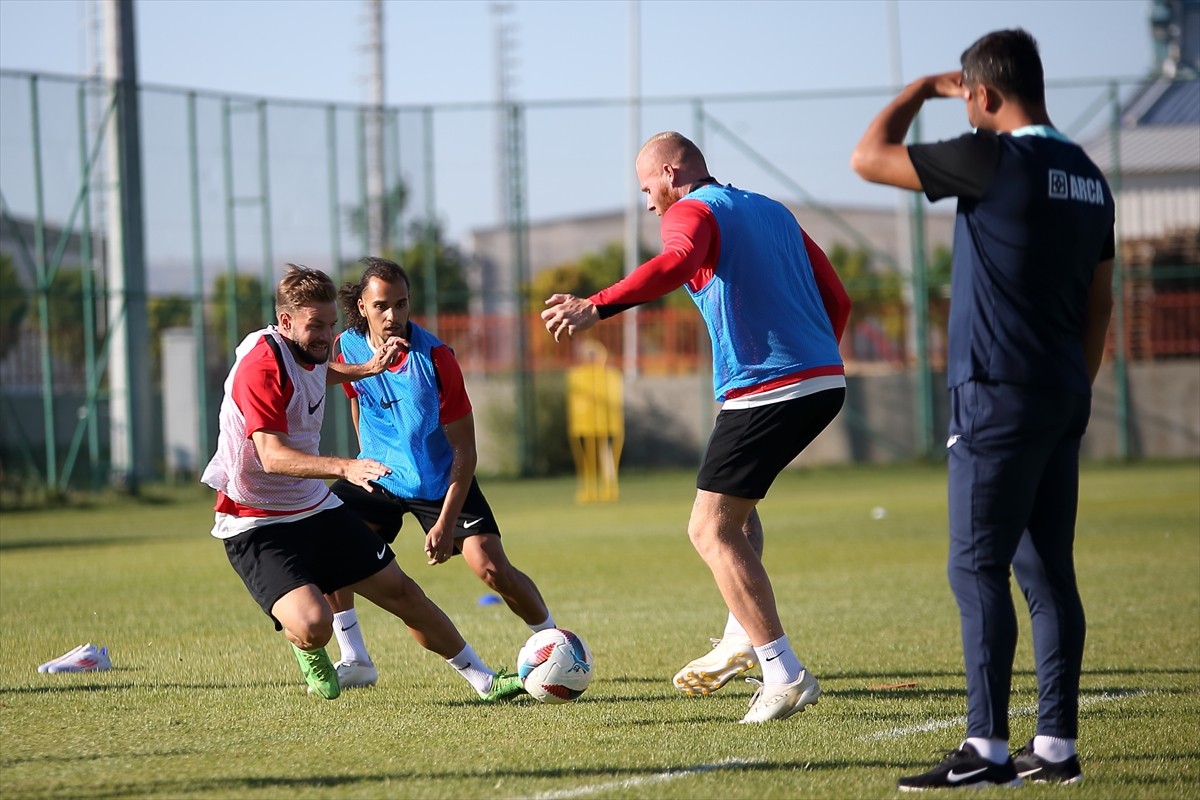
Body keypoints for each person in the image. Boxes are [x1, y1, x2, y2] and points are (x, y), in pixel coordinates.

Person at [851, 29, 1114, 790]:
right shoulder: (1089, 174)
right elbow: (1102, 303)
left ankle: (987, 750)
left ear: (986, 95)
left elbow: (867, 158)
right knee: (1047, 571)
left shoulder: (993, 155)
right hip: (1062, 391)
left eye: (968, 97)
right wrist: (1076, 384)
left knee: (976, 566)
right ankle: (1056, 748)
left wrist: (913, 93)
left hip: (996, 392)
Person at [541, 131, 851, 723]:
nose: (649, 203)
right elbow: (837, 295)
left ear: (671, 170)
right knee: (737, 513)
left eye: (646, 187)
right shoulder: (771, 209)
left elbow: (677, 259)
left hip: (770, 387)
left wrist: (596, 306)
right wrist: (812, 360)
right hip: (818, 382)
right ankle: (741, 635)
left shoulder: (692, 209)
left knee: (709, 529)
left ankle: (782, 671)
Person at [200, 263, 525, 703]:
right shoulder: (261, 365)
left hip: (313, 505)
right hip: (255, 521)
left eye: (330, 324)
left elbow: (321, 370)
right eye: (315, 326)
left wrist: (368, 368)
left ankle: (484, 680)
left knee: (401, 590)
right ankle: (310, 650)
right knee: (313, 625)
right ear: (284, 322)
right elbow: (271, 456)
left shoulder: (310, 352)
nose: (324, 336)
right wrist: (345, 467)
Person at [323, 256, 557, 690]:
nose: (393, 315)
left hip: (439, 479)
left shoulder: (436, 359)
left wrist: (446, 522)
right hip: (379, 476)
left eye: (401, 303)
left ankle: (555, 643)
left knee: (491, 568)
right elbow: (356, 399)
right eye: (381, 306)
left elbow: (465, 450)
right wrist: (365, 456)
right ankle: (354, 657)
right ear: (361, 307)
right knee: (328, 541)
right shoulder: (345, 349)